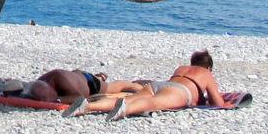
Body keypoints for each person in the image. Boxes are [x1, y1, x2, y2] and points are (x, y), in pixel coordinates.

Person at [99, 50, 240, 118]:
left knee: (131, 98)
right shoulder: (206, 73)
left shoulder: (182, 68)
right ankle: (125, 110)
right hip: (178, 91)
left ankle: (88, 106)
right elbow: (218, 102)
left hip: (159, 85)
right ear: (209, 67)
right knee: (152, 103)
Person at [22, 68, 155, 108]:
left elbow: (80, 97)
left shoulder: (63, 82)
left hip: (91, 83)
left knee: (118, 86)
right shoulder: (40, 83)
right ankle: (100, 76)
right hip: (77, 75)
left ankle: (140, 86)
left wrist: (58, 100)